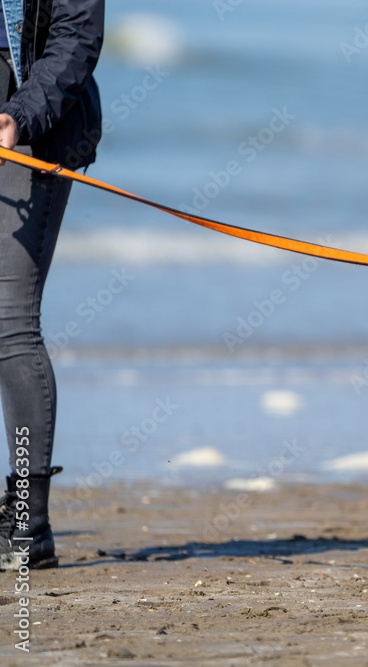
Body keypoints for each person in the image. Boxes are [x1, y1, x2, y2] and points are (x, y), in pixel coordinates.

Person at [0, 0, 104, 570]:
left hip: (30, 127)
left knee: (10, 319)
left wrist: (20, 117)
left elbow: (78, 35)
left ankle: (27, 524)